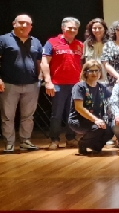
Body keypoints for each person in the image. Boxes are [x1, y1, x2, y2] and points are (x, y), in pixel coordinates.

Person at [0, 14, 42, 152]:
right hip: (9, 84)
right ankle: (9, 143)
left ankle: (25, 141)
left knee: (28, 116)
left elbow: (39, 62)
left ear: (31, 27)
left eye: (27, 24)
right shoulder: (3, 39)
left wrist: (41, 78)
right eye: (21, 23)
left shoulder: (35, 41)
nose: (24, 26)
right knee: (7, 116)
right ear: (14, 24)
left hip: (31, 84)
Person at [41, 17, 84, 150]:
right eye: (69, 27)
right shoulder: (52, 42)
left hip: (76, 85)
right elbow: (44, 62)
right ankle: (54, 140)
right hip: (58, 84)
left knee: (72, 114)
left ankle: (70, 139)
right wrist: (48, 81)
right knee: (57, 114)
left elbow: (83, 65)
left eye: (75, 28)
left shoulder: (80, 45)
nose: (72, 30)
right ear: (63, 28)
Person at [67, 60, 112, 155]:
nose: (94, 73)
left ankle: (94, 145)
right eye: (91, 71)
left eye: (97, 70)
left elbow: (112, 99)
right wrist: (96, 120)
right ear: (85, 73)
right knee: (98, 128)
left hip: (94, 119)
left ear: (100, 72)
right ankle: (83, 143)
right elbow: (79, 108)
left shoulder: (102, 87)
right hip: (78, 120)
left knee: (110, 129)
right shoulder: (79, 87)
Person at [82, 18, 109, 85]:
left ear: (104, 29)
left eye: (100, 28)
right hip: (91, 80)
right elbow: (83, 62)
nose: (97, 30)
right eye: (94, 28)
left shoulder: (110, 43)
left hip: (107, 79)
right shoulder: (86, 44)